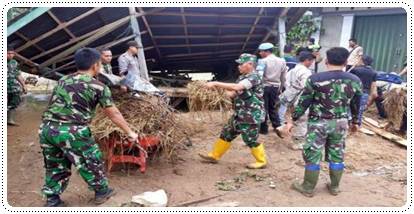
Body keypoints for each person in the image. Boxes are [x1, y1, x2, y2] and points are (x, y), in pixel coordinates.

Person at [39, 48, 139, 207]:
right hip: (73, 131)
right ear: (95, 65)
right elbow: (113, 114)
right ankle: (102, 192)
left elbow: (54, 103)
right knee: (91, 161)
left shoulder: (63, 80)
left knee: (55, 164)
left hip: (47, 129)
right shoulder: (99, 87)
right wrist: (130, 132)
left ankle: (52, 200)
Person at [289, 47, 362, 197]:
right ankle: (334, 187)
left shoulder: (315, 79)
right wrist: (355, 122)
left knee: (313, 153)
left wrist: (293, 118)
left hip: (318, 124)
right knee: (337, 153)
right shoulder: (355, 80)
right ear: (346, 61)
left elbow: (304, 102)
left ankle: (308, 187)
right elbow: (356, 104)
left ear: (327, 61)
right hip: (341, 123)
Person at [199, 53, 267, 169]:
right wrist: (216, 92)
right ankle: (214, 156)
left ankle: (261, 161)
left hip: (251, 115)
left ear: (250, 64)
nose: (238, 66)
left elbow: (237, 87)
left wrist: (215, 83)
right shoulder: (242, 78)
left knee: (250, 139)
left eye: (241, 64)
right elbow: (233, 93)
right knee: (226, 132)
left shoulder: (254, 77)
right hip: (240, 113)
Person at [276, 51, 315, 150]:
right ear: (307, 60)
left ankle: (283, 128)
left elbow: (286, 83)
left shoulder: (292, 70)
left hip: (291, 96)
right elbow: (306, 86)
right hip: (301, 98)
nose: (311, 63)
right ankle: (297, 143)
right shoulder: (306, 72)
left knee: (295, 117)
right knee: (302, 120)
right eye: (311, 61)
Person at [256, 43, 288, 134]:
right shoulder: (282, 61)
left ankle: (263, 129)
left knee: (264, 107)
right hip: (275, 87)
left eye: (261, 51)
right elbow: (283, 77)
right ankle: (277, 126)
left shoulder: (262, 61)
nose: (260, 53)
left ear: (266, 51)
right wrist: (281, 88)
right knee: (273, 107)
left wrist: (257, 88)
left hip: (265, 86)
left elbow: (259, 76)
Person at [349, 55, 378, 126]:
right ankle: (357, 127)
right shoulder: (373, 72)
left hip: (353, 93)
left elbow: (348, 80)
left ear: (362, 61)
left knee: (349, 110)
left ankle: (349, 127)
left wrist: (353, 66)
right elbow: (373, 86)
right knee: (359, 112)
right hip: (365, 94)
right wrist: (371, 97)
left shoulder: (355, 70)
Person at [7, 45, 27, 126]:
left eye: (12, 53)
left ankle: (10, 119)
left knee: (15, 101)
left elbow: (18, 75)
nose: (10, 55)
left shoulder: (14, 62)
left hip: (13, 87)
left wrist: (24, 85)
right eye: (8, 53)